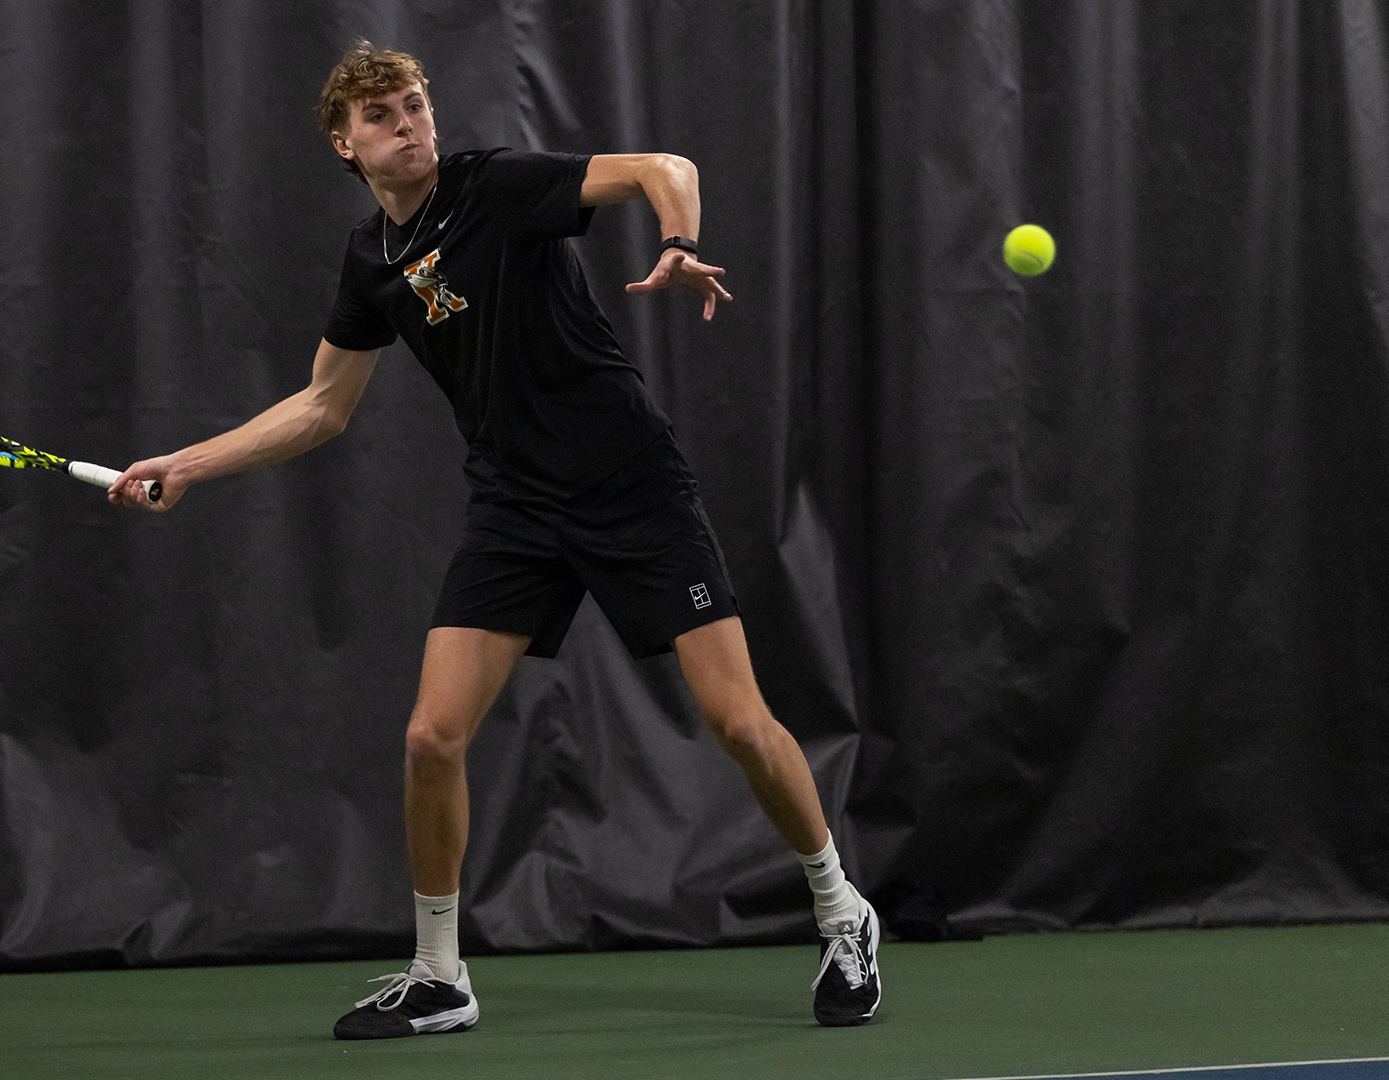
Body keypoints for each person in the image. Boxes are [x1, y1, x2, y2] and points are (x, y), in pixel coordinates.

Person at [107, 41, 880, 1039]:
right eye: (383, 115)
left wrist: (679, 237)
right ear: (346, 144)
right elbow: (322, 406)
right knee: (432, 737)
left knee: (737, 721)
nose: (411, 123)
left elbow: (660, 168)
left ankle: (839, 907)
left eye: (416, 105)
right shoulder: (372, 260)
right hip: (515, 503)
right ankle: (440, 974)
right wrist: (188, 463)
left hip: (629, 484)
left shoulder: (498, 187)